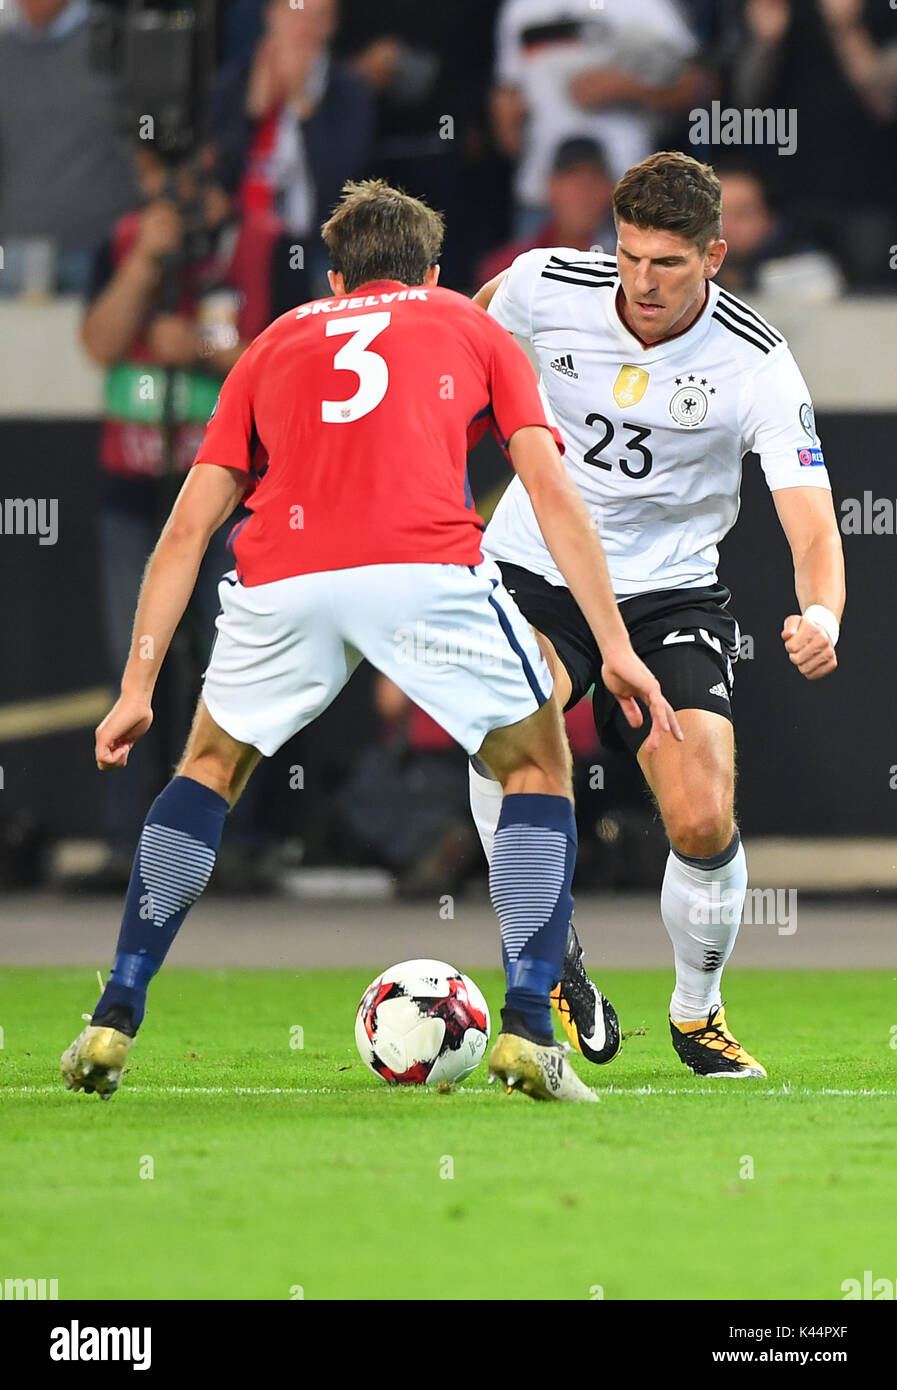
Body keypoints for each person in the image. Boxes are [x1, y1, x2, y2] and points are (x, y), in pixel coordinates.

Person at [60, 179, 681, 1106]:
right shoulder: (472, 328)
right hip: (420, 569)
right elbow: (551, 494)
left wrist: (136, 687)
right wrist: (614, 643)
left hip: (284, 576)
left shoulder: (272, 342)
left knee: (208, 769)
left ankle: (113, 1013)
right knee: (535, 764)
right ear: (432, 272)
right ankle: (522, 1030)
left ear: (338, 274)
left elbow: (185, 531)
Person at [470, 151, 845, 1079]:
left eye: (667, 263)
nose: (640, 281)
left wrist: (821, 615)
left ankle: (695, 1014)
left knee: (701, 815)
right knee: (513, 720)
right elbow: (455, 338)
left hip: (667, 591)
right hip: (536, 566)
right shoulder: (541, 284)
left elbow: (811, 523)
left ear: (713, 256)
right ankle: (546, 949)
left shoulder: (756, 362)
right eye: (629, 255)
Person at [478, 136, 616, 287]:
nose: (584, 192)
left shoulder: (628, 269)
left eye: (594, 180)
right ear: (551, 187)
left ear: (610, 190)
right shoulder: (507, 267)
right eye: (573, 179)